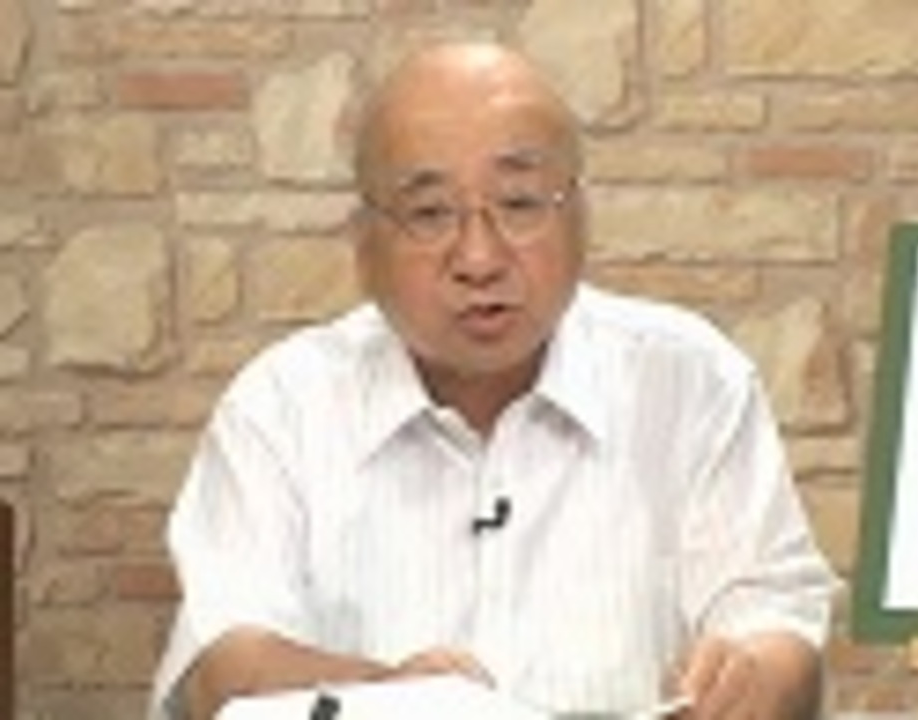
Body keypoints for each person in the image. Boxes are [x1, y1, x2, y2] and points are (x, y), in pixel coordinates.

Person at [149, 42, 837, 720]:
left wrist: (753, 681)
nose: (479, 259)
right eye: (429, 213)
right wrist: (392, 698)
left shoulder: (692, 383)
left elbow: (776, 624)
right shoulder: (281, 407)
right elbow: (221, 667)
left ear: (579, 217)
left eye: (519, 203)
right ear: (363, 244)